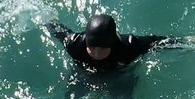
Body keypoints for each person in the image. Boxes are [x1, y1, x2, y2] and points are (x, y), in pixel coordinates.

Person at [46, 13, 179, 73]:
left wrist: (192, 42)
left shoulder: (129, 46)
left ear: (113, 43)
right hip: (85, 74)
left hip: (118, 77)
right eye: (92, 47)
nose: (97, 53)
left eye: (103, 48)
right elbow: (53, 26)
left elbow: (160, 42)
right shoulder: (74, 43)